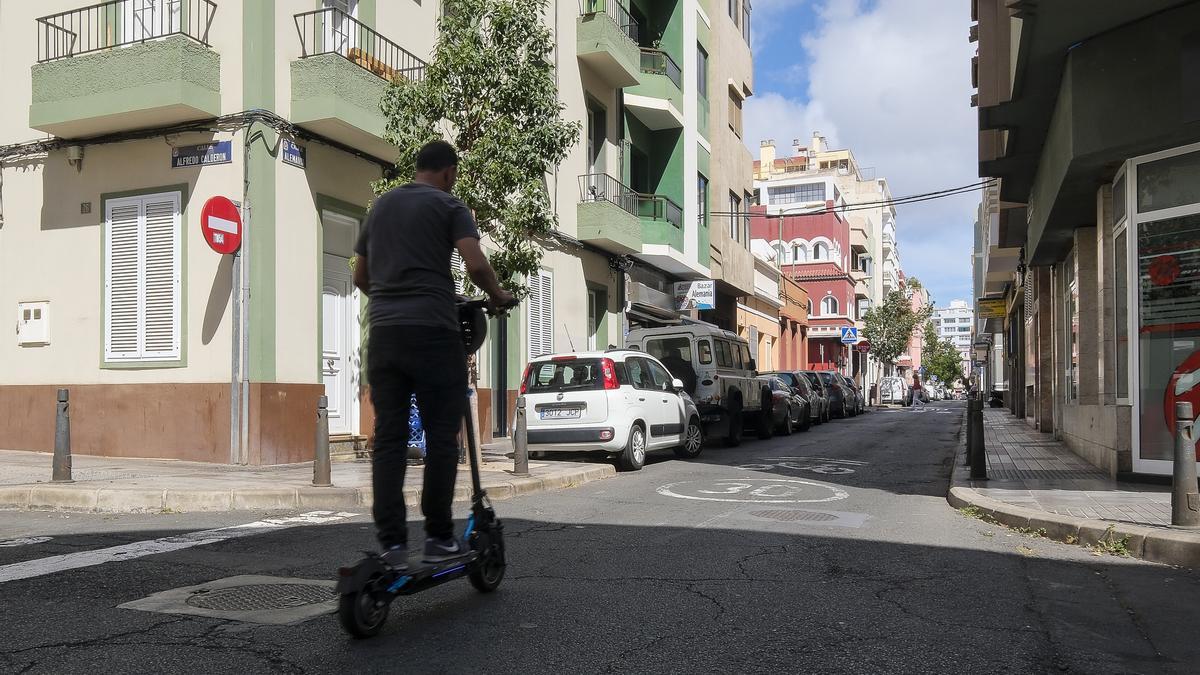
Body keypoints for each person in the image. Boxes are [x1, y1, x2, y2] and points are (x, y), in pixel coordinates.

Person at [353, 140, 514, 570]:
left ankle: (392, 543)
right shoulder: (449, 206)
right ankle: (439, 537)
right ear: (448, 173)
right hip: (432, 332)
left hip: (384, 334)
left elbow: (360, 276)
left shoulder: (381, 206)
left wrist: (391, 298)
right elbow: (475, 262)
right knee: (443, 437)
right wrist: (497, 294)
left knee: (388, 439)